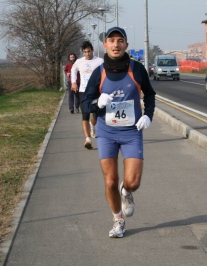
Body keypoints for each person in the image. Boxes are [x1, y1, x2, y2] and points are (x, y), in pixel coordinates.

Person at [82, 27, 156, 238]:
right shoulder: (99, 73)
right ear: (104, 45)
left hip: (132, 132)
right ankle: (118, 221)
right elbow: (85, 104)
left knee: (133, 182)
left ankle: (127, 192)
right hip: (106, 132)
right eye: (111, 40)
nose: (116, 44)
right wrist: (97, 102)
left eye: (120, 40)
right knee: (110, 181)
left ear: (126, 45)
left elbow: (150, 95)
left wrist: (148, 115)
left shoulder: (137, 69)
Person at [71, 41, 104, 149]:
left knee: (95, 114)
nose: (87, 54)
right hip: (83, 91)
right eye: (85, 52)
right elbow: (73, 70)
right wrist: (74, 82)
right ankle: (88, 139)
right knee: (84, 114)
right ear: (83, 52)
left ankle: (92, 125)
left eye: (89, 51)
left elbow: (106, 73)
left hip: (95, 91)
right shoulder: (79, 62)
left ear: (92, 50)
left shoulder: (99, 61)